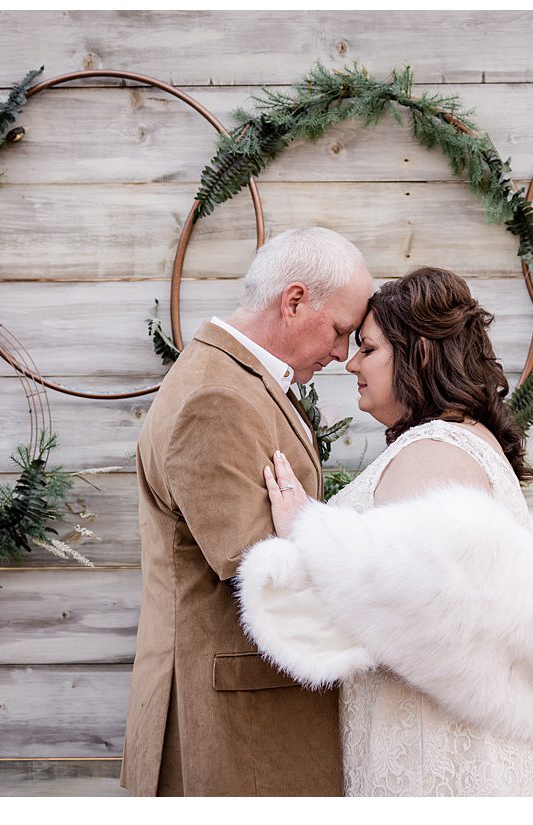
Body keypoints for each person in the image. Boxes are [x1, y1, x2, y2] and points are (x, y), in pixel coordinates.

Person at [236, 266, 533, 796]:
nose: (351, 363)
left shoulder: (437, 451)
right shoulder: (454, 440)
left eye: (369, 350)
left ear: (419, 354)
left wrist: (304, 532)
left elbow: (412, 605)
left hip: (440, 753)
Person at [120, 226, 373, 796]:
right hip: (237, 722)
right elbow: (253, 567)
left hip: (244, 707)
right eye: (339, 331)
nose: (341, 353)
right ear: (294, 301)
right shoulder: (218, 398)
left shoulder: (235, 379)